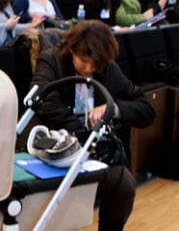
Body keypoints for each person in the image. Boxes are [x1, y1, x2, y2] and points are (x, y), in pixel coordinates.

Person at [31, 20, 155, 231]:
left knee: (124, 183)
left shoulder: (108, 70)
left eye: (96, 64)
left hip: (94, 156)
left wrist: (112, 108)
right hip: (56, 152)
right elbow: (45, 104)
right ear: (71, 50)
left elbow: (145, 109)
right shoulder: (51, 61)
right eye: (84, 61)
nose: (89, 69)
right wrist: (84, 130)